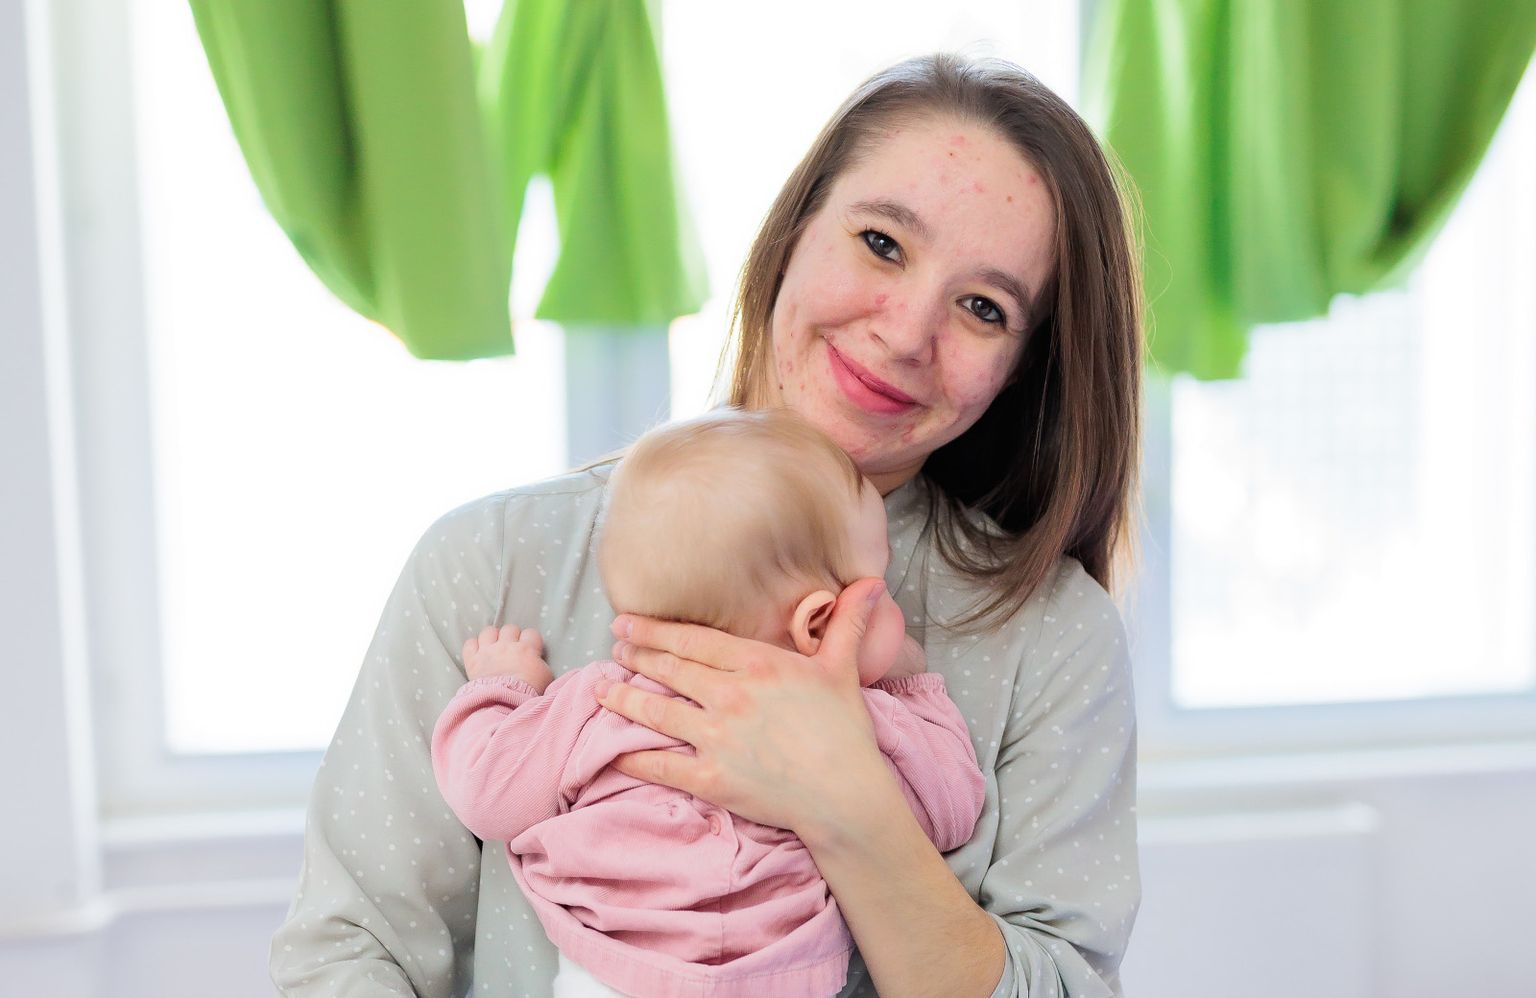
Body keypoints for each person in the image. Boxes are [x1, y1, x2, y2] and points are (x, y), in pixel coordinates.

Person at [271, 51, 1143, 998]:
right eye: (881, 243)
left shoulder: (1053, 638)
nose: (904, 332)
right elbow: (350, 954)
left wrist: (847, 801)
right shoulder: (493, 565)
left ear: (1023, 367)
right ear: (793, 231)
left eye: (983, 307)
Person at [431, 407, 987, 998]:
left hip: (614, 974)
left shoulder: (602, 703)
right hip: (780, 979)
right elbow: (950, 810)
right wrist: (909, 688)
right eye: (883, 585)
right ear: (818, 624)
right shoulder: (855, 730)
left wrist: (503, 686)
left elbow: (489, 793)